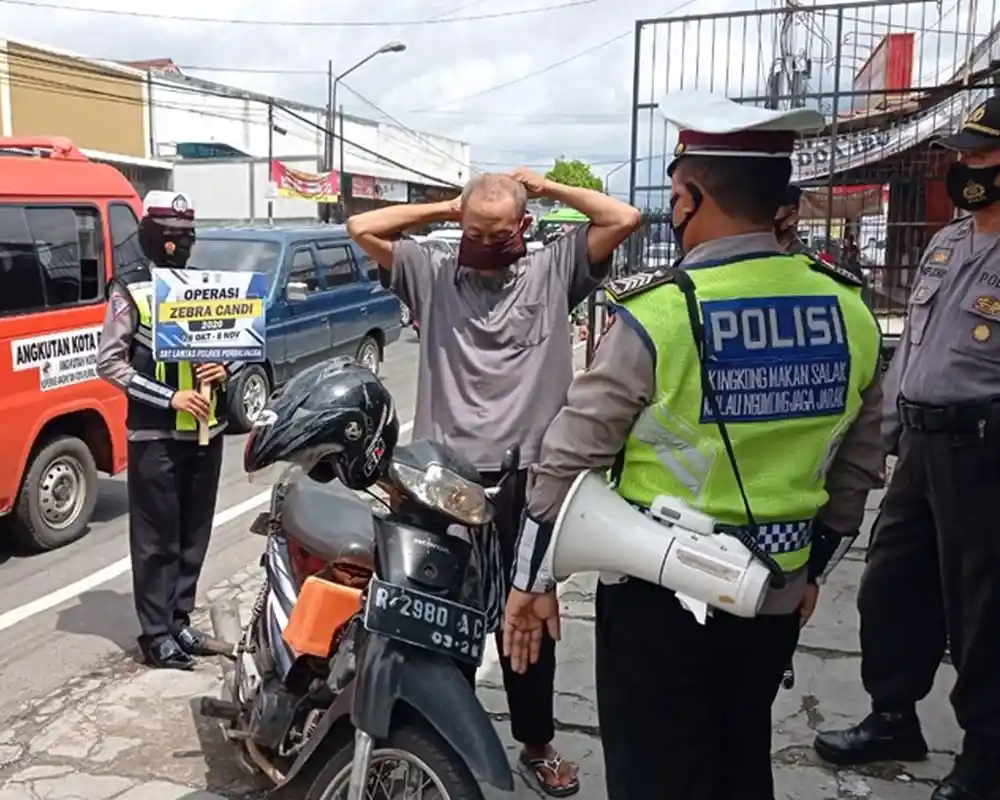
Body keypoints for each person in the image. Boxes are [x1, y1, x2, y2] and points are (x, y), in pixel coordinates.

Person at [503, 91, 885, 800]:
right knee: (741, 754)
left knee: (658, 772)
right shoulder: (852, 311)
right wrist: (812, 570)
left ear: (686, 196)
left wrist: (529, 584)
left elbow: (565, 460)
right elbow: (858, 470)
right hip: (776, 586)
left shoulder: (664, 314)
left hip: (660, 597)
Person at [347, 169, 640, 796]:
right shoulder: (430, 273)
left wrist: (549, 188)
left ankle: (536, 744)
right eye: (472, 233)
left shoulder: (553, 269)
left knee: (525, 620)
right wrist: (449, 209)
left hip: (526, 481)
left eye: (498, 232)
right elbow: (360, 226)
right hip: (436, 481)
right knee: (432, 619)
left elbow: (623, 219)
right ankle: (436, 747)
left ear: (524, 228)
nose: (483, 243)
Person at [812, 96, 1000, 800]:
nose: (965, 167)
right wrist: (889, 431)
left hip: (985, 450)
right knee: (892, 586)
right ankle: (894, 715)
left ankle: (986, 754)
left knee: (982, 609)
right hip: (922, 446)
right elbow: (914, 348)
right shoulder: (949, 241)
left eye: (981, 156)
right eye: (964, 154)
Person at [97, 190, 238, 670]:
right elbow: (109, 364)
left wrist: (226, 369)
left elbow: (235, 348)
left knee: (194, 534)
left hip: (206, 431)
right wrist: (170, 397)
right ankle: (156, 633)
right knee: (156, 540)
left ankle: (180, 620)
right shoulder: (129, 287)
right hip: (155, 436)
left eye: (187, 235)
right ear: (151, 235)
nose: (181, 245)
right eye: (171, 236)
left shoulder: (205, 286)